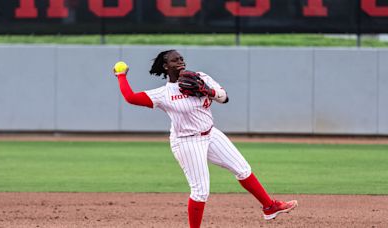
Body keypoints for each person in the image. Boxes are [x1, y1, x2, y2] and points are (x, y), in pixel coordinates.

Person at [113, 50, 297, 228]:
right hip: (187, 142)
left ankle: (269, 206)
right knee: (200, 191)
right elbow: (131, 97)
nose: (181, 62)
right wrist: (121, 75)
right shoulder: (163, 94)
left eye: (182, 58)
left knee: (243, 169)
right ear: (165, 66)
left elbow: (224, 98)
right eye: (175, 60)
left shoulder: (200, 77)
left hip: (210, 134)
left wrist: (206, 90)